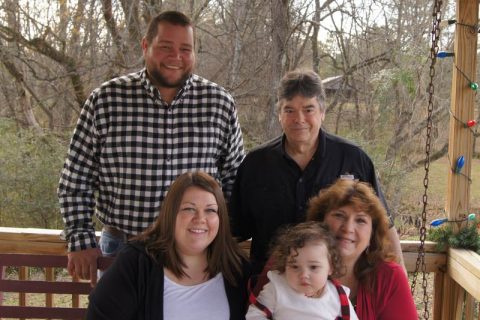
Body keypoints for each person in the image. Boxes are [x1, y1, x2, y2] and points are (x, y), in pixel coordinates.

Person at [58, 10, 245, 285]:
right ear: (146, 46)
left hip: (197, 253)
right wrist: (80, 238)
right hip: (121, 249)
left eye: (185, 49)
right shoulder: (106, 101)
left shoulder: (219, 104)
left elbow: (234, 182)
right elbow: (76, 179)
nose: (176, 57)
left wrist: (225, 242)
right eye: (166, 47)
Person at [228, 69, 403, 274]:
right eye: (289, 110)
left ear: (322, 112)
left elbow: (384, 226)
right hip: (270, 290)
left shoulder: (354, 160)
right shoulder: (255, 165)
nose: (299, 119)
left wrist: (401, 285)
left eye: (308, 109)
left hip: (337, 288)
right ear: (279, 115)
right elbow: (234, 233)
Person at [86, 171, 251, 320]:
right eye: (189, 209)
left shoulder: (237, 269)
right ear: (170, 214)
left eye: (210, 210)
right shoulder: (136, 264)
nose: (200, 218)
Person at [306, 179, 417, 319]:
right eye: (339, 215)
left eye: (360, 220)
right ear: (320, 222)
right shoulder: (293, 261)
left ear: (372, 234)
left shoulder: (389, 277)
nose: (348, 228)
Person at [246, 221, 358, 320]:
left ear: (331, 267)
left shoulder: (337, 295)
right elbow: (254, 314)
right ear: (285, 264)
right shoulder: (277, 287)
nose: (304, 275)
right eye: (295, 267)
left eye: (313, 267)